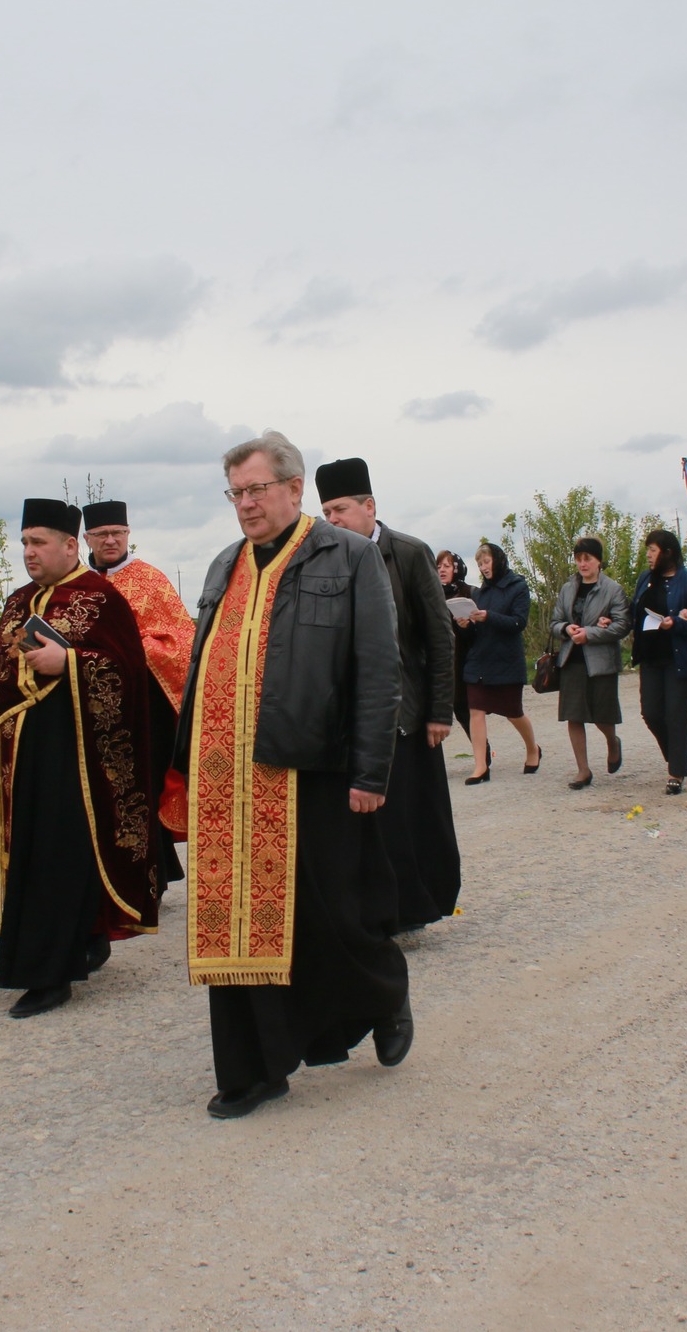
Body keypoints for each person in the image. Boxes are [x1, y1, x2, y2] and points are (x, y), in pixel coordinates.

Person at [177, 430, 410, 1119]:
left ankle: (384, 995)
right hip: (230, 780)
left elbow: (379, 670)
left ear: (293, 487)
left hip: (316, 768)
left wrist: (371, 771)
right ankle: (254, 1067)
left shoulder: (349, 556)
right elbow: (202, 664)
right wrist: (183, 761)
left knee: (331, 917)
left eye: (256, 489)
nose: (245, 504)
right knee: (235, 919)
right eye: (235, 493)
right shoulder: (224, 564)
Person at [0, 499, 160, 1019]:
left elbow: (128, 673)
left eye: (38, 542)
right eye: (24, 543)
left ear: (70, 546)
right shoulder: (18, 602)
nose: (29, 552)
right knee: (35, 854)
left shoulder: (102, 598)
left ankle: (49, 977)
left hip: (77, 760)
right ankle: (85, 936)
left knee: (58, 856)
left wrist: (68, 661)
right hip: (22, 760)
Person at [315, 459, 461, 932]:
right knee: (360, 823)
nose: (332, 520)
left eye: (340, 509)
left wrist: (439, 711)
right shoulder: (325, 558)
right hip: (349, 717)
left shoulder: (409, 553)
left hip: (406, 714)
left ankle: (414, 909)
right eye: (326, 512)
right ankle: (369, 911)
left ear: (370, 506)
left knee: (409, 818)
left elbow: (439, 637)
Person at [83, 499, 194, 889]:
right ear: (87, 538)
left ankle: (153, 879)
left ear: (128, 534)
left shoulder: (151, 580)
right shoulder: (78, 584)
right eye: (101, 534)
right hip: (93, 709)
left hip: (146, 709)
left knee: (143, 790)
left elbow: (181, 641)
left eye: (118, 533)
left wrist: (130, 649)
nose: (110, 540)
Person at [629, 528, 687, 796]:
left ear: (667, 553)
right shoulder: (645, 579)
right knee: (651, 713)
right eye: (648, 550)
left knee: (676, 714)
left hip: (682, 658)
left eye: (652, 551)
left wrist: (676, 622)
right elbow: (635, 611)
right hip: (651, 657)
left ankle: (676, 772)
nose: (648, 555)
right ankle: (675, 756)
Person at [546, 536, 629, 790]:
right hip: (571, 659)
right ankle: (583, 770)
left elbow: (622, 625)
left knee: (603, 715)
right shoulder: (567, 588)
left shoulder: (613, 589)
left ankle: (612, 741)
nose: (582, 564)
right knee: (574, 715)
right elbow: (554, 622)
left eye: (587, 559)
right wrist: (566, 629)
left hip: (601, 662)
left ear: (599, 561)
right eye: (578, 559)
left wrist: (589, 634)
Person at [459, 542, 540, 783]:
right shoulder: (479, 594)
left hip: (506, 661)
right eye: (479, 564)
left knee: (513, 713)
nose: (483, 567)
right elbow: (474, 634)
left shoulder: (518, 587)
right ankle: (480, 767)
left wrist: (488, 617)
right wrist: (465, 626)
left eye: (486, 561)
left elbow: (518, 623)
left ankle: (533, 749)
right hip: (479, 661)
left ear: (498, 560)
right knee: (475, 711)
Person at [436, 551, 475, 743]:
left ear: (457, 569)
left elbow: (478, 633)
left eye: (447, 566)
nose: (442, 570)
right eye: (438, 566)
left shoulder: (469, 592)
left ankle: (483, 753)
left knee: (464, 710)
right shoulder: (432, 593)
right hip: (438, 660)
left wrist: (466, 626)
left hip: (463, 661)